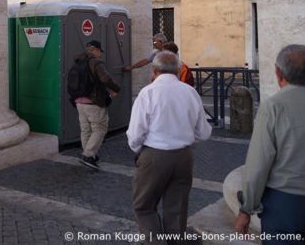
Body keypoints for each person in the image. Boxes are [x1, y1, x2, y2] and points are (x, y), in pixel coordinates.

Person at [235, 45, 305, 242]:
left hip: (284, 202)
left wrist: (246, 209)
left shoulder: (273, 106)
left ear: (278, 73)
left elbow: (258, 164)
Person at [127, 51, 212, 242]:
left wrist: (139, 152)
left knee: (144, 206)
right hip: (183, 157)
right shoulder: (190, 92)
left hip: (154, 155)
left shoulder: (148, 93)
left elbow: (135, 134)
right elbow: (204, 132)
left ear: (154, 70)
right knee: (177, 209)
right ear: (179, 70)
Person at [74, 40, 121, 170]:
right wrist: (116, 88)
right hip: (94, 101)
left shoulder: (78, 61)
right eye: (99, 51)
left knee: (85, 129)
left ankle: (89, 155)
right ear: (95, 50)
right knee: (99, 128)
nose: (100, 54)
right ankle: (88, 155)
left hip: (79, 101)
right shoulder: (96, 62)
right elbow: (105, 78)